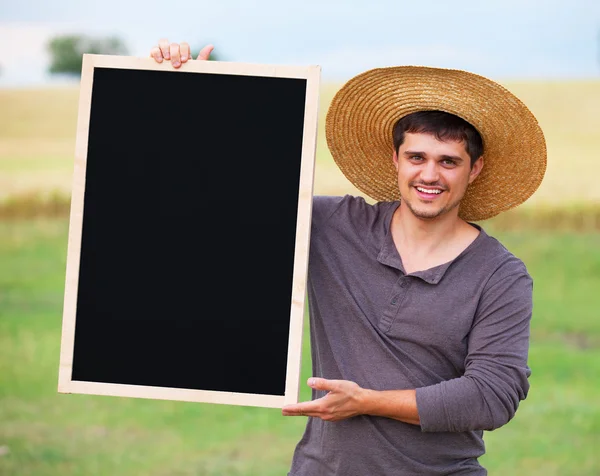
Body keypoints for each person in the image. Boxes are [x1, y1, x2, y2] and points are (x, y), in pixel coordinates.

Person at [150, 39, 547, 476]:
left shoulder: (500, 275)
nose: (429, 175)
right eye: (416, 157)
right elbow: (225, 198)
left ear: (475, 169)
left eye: (448, 161)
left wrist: (366, 402)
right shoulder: (332, 225)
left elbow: (491, 396)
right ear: (395, 159)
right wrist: (189, 94)